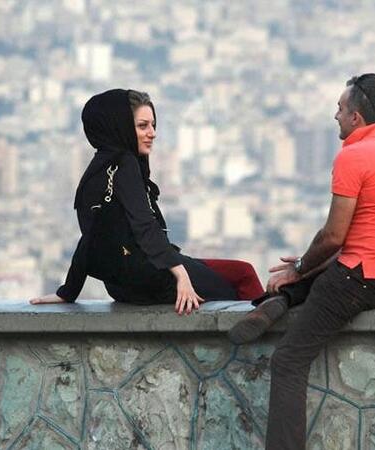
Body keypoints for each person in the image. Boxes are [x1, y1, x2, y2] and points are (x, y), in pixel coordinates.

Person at [228, 74, 375, 449]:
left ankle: (280, 299)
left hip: (358, 278)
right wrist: (308, 266)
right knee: (324, 274)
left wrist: (299, 267)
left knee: (288, 360)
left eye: (339, 108)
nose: (335, 115)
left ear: (355, 117)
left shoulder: (354, 156)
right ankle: (279, 302)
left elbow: (334, 236)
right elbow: (358, 240)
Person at [30, 89, 263, 314]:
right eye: (142, 126)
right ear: (121, 127)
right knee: (234, 289)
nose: (152, 133)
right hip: (152, 275)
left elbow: (91, 235)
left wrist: (68, 291)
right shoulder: (125, 164)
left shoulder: (98, 169)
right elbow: (145, 225)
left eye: (153, 125)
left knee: (242, 271)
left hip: (122, 284)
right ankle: (265, 335)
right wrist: (181, 275)